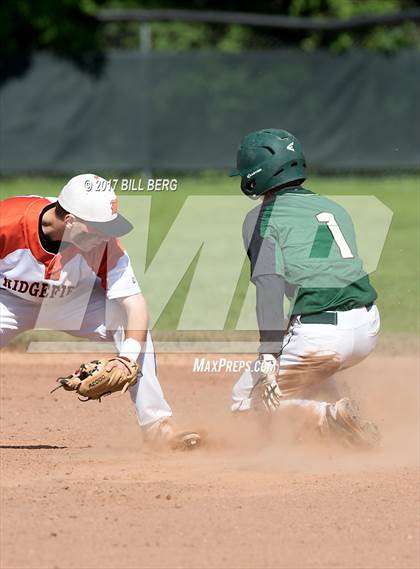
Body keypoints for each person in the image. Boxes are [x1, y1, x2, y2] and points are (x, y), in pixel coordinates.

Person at [0, 174, 200, 450]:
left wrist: (126, 359)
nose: (105, 235)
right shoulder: (8, 222)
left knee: (131, 328)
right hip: (9, 301)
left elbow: (135, 304)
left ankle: (157, 425)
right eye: (97, 228)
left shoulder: (105, 244)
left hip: (75, 301)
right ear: (70, 220)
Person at [229, 129, 381, 447]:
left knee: (249, 399)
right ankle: (342, 413)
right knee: (308, 364)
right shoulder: (332, 208)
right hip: (367, 326)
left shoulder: (260, 218)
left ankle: (329, 417)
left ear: (255, 176)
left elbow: (269, 286)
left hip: (322, 334)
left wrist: (269, 355)